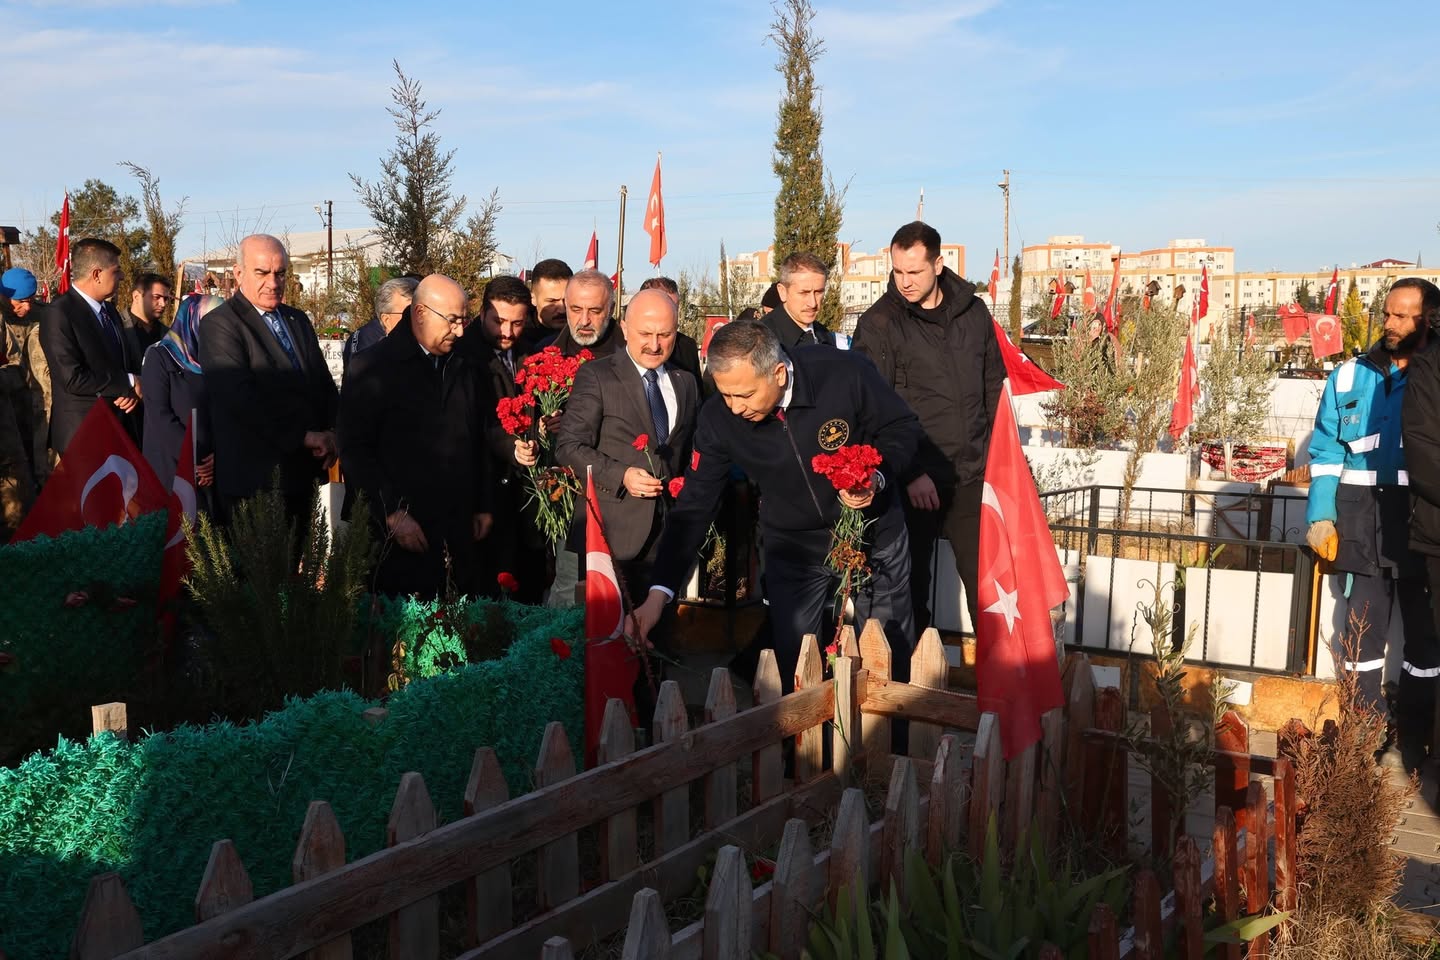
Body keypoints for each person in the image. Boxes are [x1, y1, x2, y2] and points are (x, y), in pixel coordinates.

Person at [632, 320, 922, 693]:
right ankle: (807, 733)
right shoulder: (717, 419)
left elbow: (902, 428)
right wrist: (659, 594)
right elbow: (694, 505)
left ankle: (892, 730)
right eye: (726, 395)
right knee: (796, 667)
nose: (735, 408)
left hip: (873, 535)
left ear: (779, 374)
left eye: (746, 394)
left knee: (887, 654)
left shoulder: (843, 372)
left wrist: (876, 478)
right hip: (794, 549)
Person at [1305, 277, 1440, 771]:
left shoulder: (1433, 376)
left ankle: (1416, 737)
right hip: (1361, 521)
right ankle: (1365, 733)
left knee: (1424, 642)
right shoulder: (1348, 376)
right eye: (1387, 313)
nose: (1390, 323)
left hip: (1420, 523)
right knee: (1360, 635)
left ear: (1427, 320)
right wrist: (1321, 514)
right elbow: (1326, 450)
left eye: (1402, 315)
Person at [853, 221, 1005, 633]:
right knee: (910, 591)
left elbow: (993, 388)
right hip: (911, 483)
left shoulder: (974, 313)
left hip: (971, 476)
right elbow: (872, 409)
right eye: (898, 271)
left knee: (989, 591)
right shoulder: (879, 323)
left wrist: (998, 461)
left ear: (938, 265)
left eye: (915, 271)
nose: (904, 281)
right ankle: (913, 672)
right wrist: (912, 472)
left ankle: (997, 671)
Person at [338, 275, 494, 599]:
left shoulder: (467, 363)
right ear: (420, 312)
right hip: (401, 529)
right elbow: (355, 451)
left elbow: (479, 437)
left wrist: (483, 503)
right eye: (452, 320)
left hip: (458, 526)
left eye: (464, 320)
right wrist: (392, 512)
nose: (460, 331)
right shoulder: (373, 367)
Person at [555, 289, 699, 601]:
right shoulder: (597, 375)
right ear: (624, 328)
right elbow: (569, 445)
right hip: (610, 536)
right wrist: (622, 476)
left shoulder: (685, 381)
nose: (654, 345)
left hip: (667, 537)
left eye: (665, 334)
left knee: (661, 625)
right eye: (645, 334)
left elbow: (689, 449)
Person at [199, 234, 338, 527]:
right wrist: (304, 437)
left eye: (280, 273)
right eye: (262, 273)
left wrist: (332, 433)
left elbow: (321, 383)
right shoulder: (221, 324)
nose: (273, 283)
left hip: (302, 475)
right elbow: (241, 400)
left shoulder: (297, 320)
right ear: (239, 273)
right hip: (255, 484)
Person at [467, 275, 547, 603]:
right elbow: (473, 425)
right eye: (499, 321)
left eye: (517, 323)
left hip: (525, 494)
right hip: (485, 489)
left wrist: (542, 428)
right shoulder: (464, 355)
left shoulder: (530, 351)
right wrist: (510, 446)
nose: (508, 332)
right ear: (482, 312)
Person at [39, 238, 143, 452]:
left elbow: (119, 363)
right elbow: (72, 378)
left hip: (118, 427)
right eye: (116, 271)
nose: (123, 276)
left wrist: (129, 390)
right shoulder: (59, 313)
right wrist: (128, 381)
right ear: (97, 274)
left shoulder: (110, 311)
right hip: (83, 435)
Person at [142, 294, 223, 499]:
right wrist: (195, 458)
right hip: (173, 467)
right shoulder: (160, 356)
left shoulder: (220, 361)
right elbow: (159, 415)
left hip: (212, 470)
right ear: (192, 320)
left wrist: (219, 454)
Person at [2, 268, 51, 485]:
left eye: (30, 300)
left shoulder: (43, 313)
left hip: (41, 403)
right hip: (10, 405)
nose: (27, 307)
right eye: (20, 301)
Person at [342, 276, 418, 374]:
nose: (420, 320)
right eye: (409, 313)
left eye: (424, 312)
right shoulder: (368, 362)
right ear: (386, 320)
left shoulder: (434, 357)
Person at [762, 254, 836, 350]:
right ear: (782, 292)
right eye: (804, 293)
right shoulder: (761, 339)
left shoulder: (824, 335)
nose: (812, 303)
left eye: (818, 292)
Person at [636, 275, 703, 379]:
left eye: (674, 308)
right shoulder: (618, 346)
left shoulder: (687, 347)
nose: (671, 314)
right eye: (664, 307)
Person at [122, 272, 174, 355]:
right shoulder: (117, 326)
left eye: (165, 299)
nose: (163, 304)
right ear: (136, 296)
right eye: (156, 297)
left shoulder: (167, 334)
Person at [524, 258, 573, 345]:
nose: (562, 310)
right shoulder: (518, 340)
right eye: (552, 301)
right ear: (533, 299)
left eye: (567, 300)